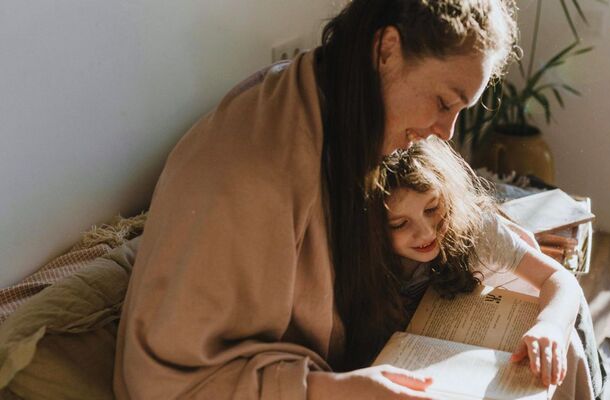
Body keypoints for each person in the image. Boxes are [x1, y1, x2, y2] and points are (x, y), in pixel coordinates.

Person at [114, 0, 519, 399]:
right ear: (387, 50)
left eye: (459, 110)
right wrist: (336, 390)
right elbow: (168, 381)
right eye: (443, 103)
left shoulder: (347, 111)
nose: (447, 132)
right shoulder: (253, 171)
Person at [371, 137, 583, 389]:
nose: (426, 232)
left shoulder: (479, 230)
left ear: (448, 194)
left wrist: (550, 325)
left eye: (432, 208)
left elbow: (560, 279)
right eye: (400, 224)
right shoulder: (368, 259)